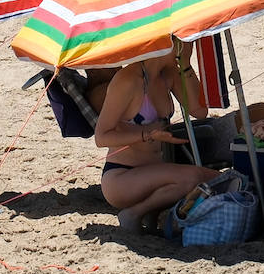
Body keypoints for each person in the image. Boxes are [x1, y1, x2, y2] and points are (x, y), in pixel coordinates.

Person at [93, 44, 219, 233]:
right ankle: (134, 213)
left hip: (155, 170)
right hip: (122, 176)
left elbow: (199, 111)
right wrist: (147, 134)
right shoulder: (128, 80)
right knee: (193, 178)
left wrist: (185, 64)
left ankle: (153, 214)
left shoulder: (168, 74)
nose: (189, 44)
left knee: (220, 179)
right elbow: (101, 137)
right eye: (184, 41)